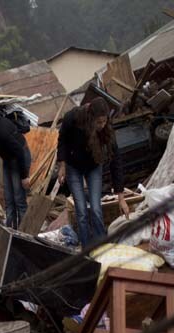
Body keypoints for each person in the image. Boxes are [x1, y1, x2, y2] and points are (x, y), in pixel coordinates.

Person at [57, 97, 129, 248]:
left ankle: (103, 247)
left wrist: (121, 197)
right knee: (82, 211)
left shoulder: (106, 130)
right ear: (91, 118)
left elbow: (116, 161)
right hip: (73, 167)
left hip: (94, 166)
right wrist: (62, 165)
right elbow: (62, 138)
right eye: (98, 122)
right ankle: (87, 249)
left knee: (96, 208)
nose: (102, 126)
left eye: (104, 122)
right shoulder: (73, 118)